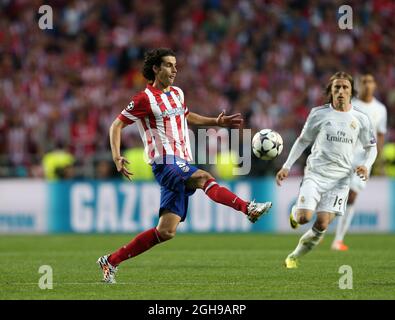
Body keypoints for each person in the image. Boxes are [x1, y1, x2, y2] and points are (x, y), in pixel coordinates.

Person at [97, 48, 272, 283]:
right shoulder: (144, 99)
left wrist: (216, 121)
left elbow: (186, 116)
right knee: (203, 177)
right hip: (165, 162)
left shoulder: (177, 93)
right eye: (169, 65)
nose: (175, 69)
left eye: (175, 65)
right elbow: (115, 126)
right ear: (156, 69)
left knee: (166, 231)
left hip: (181, 162)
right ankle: (247, 208)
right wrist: (117, 156)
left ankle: (111, 260)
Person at [275, 72, 377, 269]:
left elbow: (371, 147)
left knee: (322, 224)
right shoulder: (319, 114)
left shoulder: (361, 118)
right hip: (316, 173)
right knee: (304, 217)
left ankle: (293, 257)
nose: (340, 91)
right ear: (330, 91)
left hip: (341, 180)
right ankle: (296, 212)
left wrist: (366, 165)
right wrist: (286, 166)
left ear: (351, 91)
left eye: (345, 87)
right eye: (336, 87)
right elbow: (303, 140)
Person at [332, 73, 387, 251]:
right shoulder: (351, 104)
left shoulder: (381, 109)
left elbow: (380, 134)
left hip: (364, 159)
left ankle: (338, 240)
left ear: (375, 85)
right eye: (364, 82)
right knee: (337, 193)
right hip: (345, 154)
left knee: (352, 196)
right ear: (359, 85)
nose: (367, 85)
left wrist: (376, 159)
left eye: (370, 81)